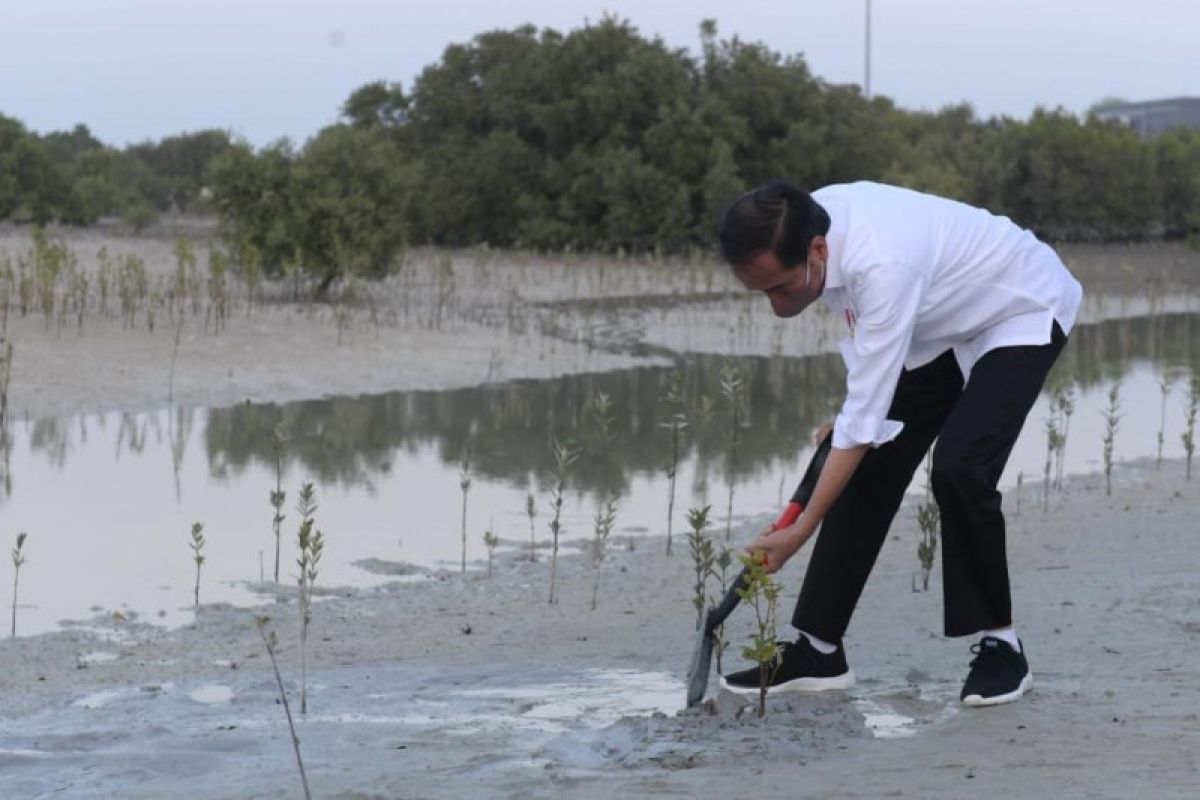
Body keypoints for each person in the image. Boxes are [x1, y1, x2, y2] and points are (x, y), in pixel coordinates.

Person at [716, 180, 1082, 707]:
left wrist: (798, 530)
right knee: (864, 458)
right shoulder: (803, 221)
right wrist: (849, 423)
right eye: (762, 290)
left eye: (781, 287)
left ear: (818, 250)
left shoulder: (882, 263)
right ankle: (819, 651)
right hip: (940, 321)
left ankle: (1002, 646)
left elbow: (865, 414)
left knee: (960, 466)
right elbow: (867, 375)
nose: (775, 305)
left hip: (1018, 306)